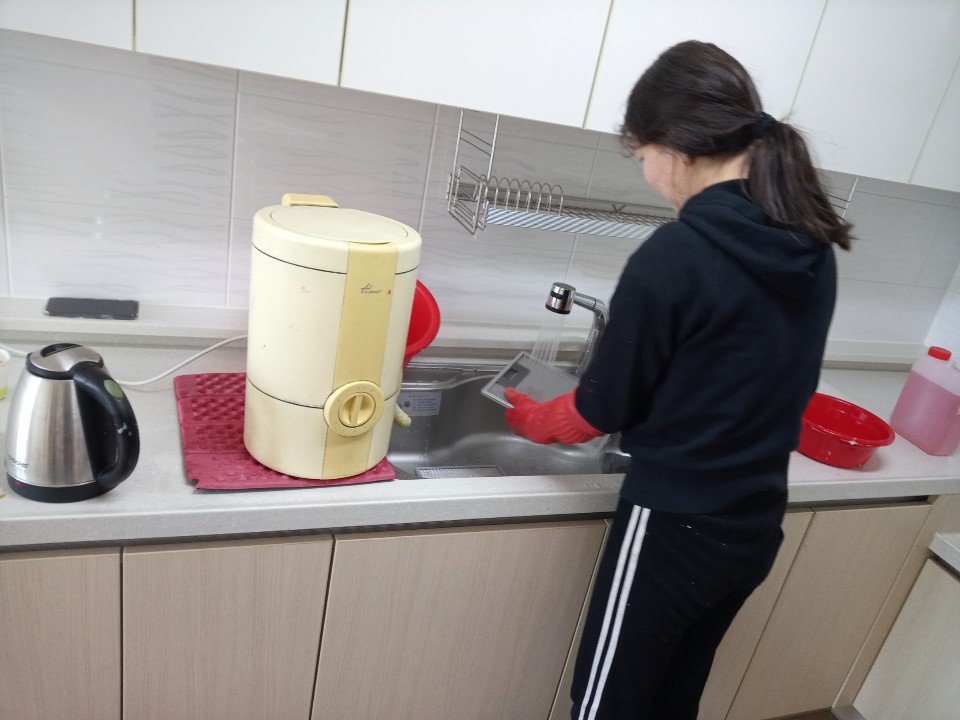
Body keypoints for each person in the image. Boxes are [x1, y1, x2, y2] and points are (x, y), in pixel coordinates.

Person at [504, 40, 852, 720]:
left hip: (673, 527)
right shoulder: (811, 246)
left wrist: (533, 417)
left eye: (640, 156)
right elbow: (736, 367)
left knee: (605, 706)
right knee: (670, 703)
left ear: (674, 147)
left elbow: (599, 409)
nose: (647, 176)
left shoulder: (678, 252)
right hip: (753, 525)